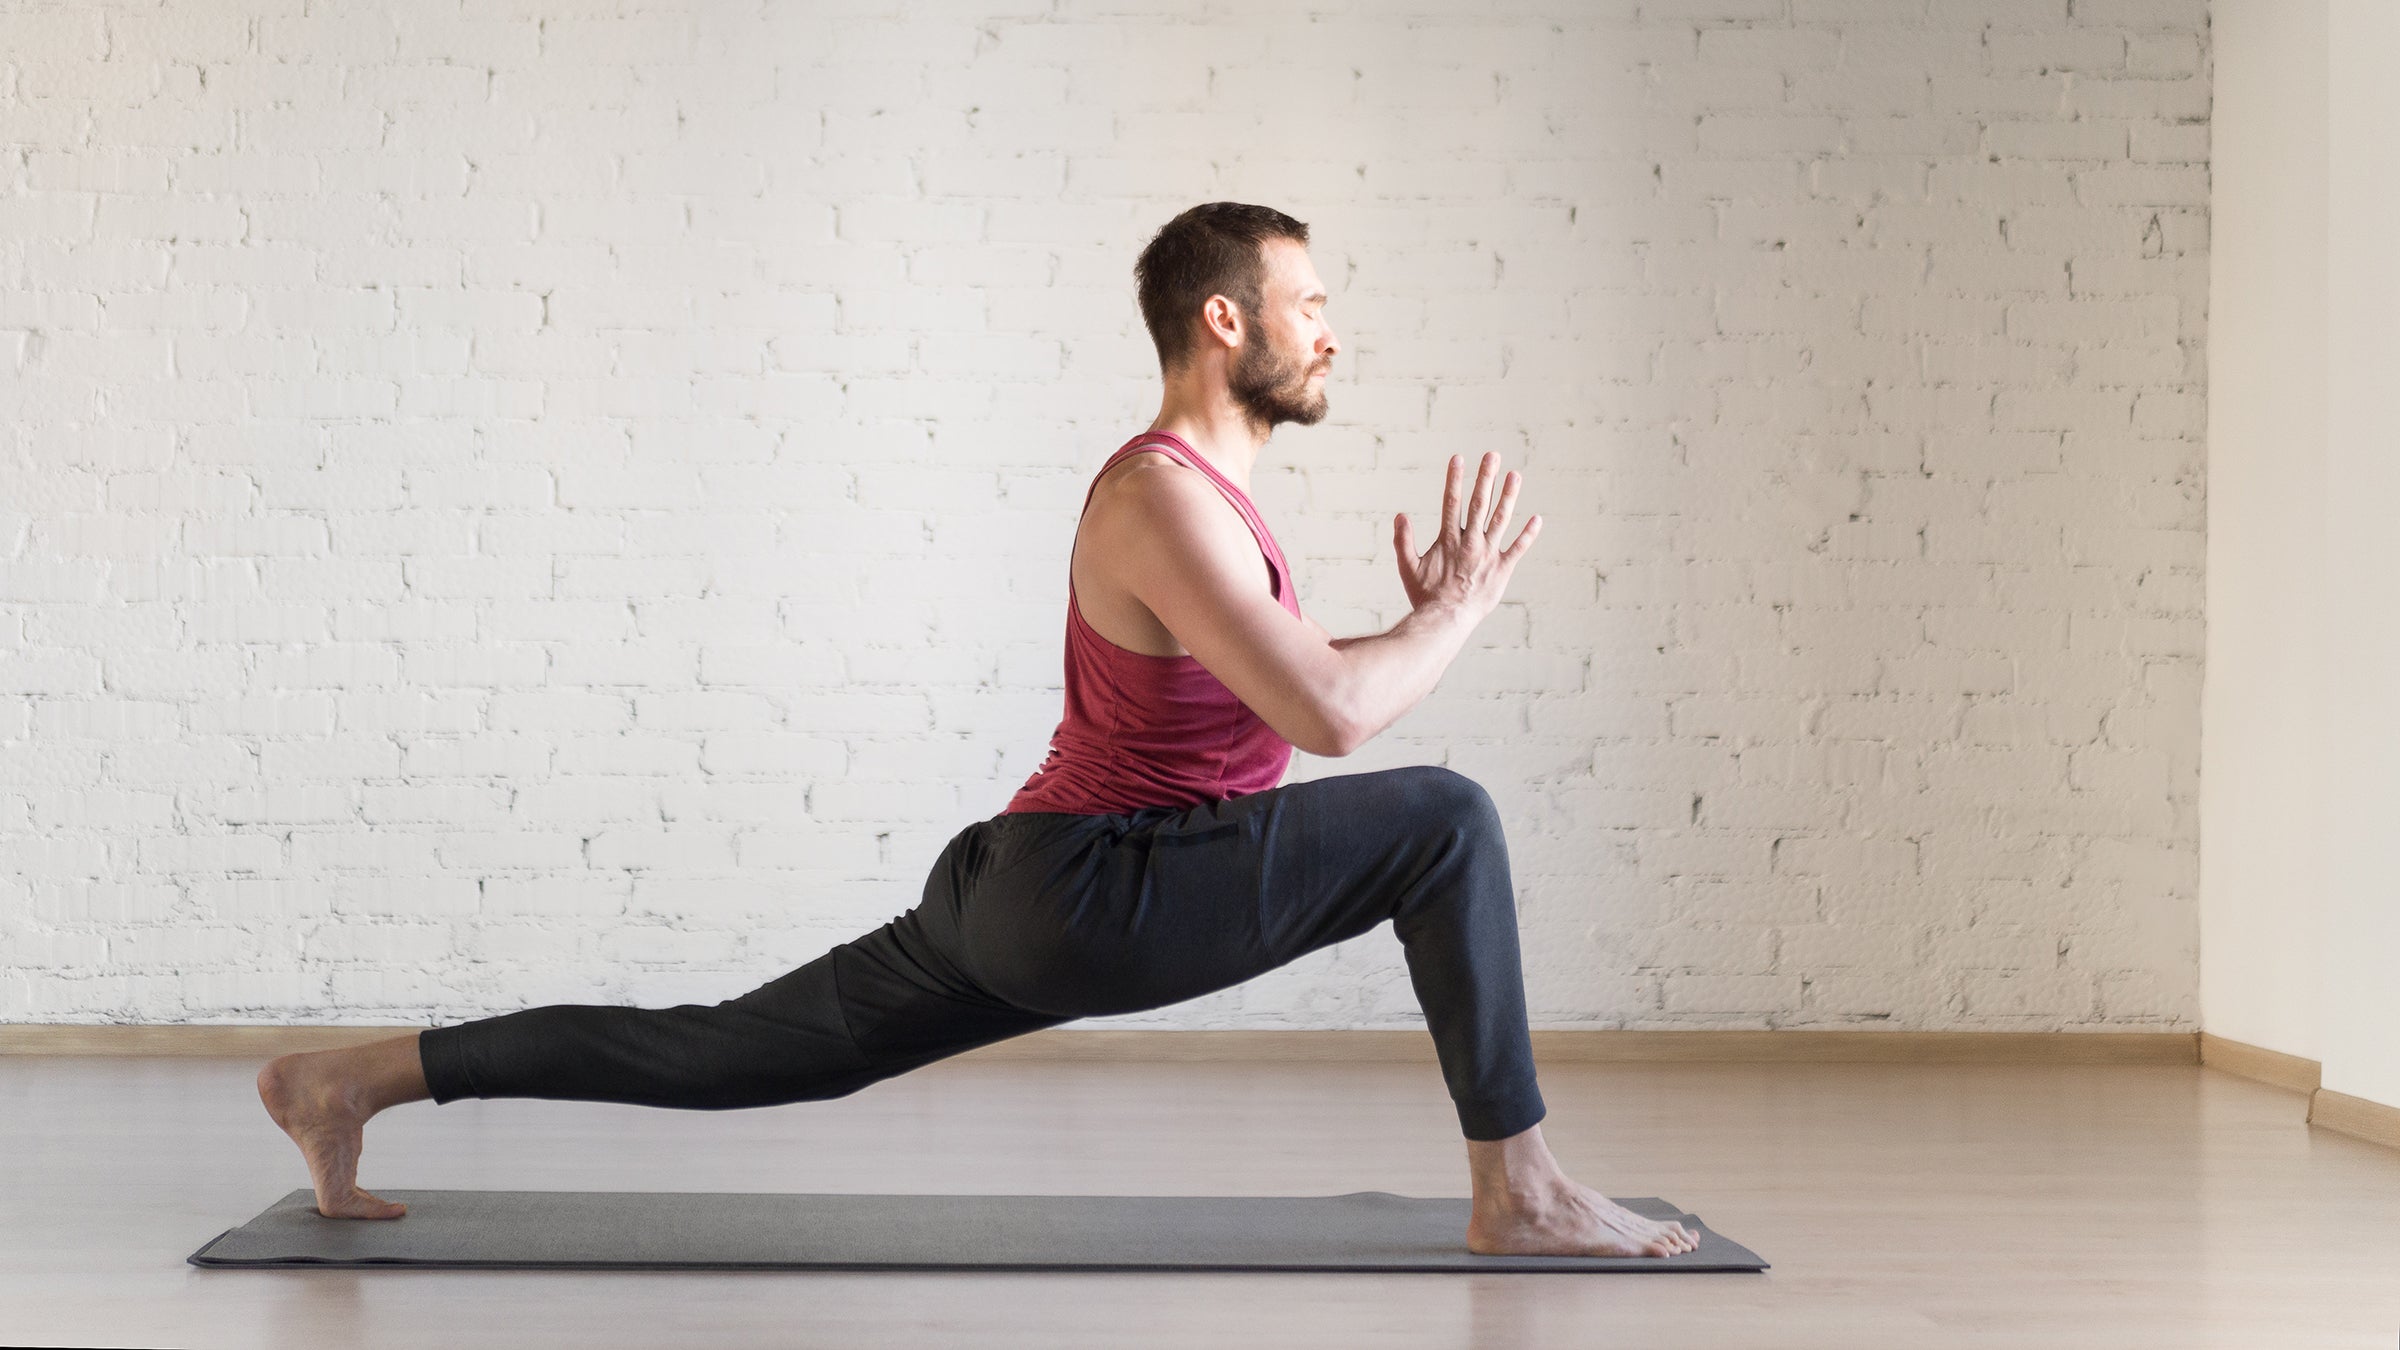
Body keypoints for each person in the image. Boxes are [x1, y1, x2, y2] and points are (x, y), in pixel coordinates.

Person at [257, 202, 1697, 1259]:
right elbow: (1330, 709)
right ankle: (1519, 1185)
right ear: (1225, 320)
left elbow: (1314, 680)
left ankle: (348, 1078)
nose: (1332, 327)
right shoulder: (1161, 496)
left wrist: (1421, 620)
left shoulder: (1202, 499)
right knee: (1446, 823)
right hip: (1085, 885)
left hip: (1032, 883)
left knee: (727, 1051)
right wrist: (1457, 611)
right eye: (1307, 300)